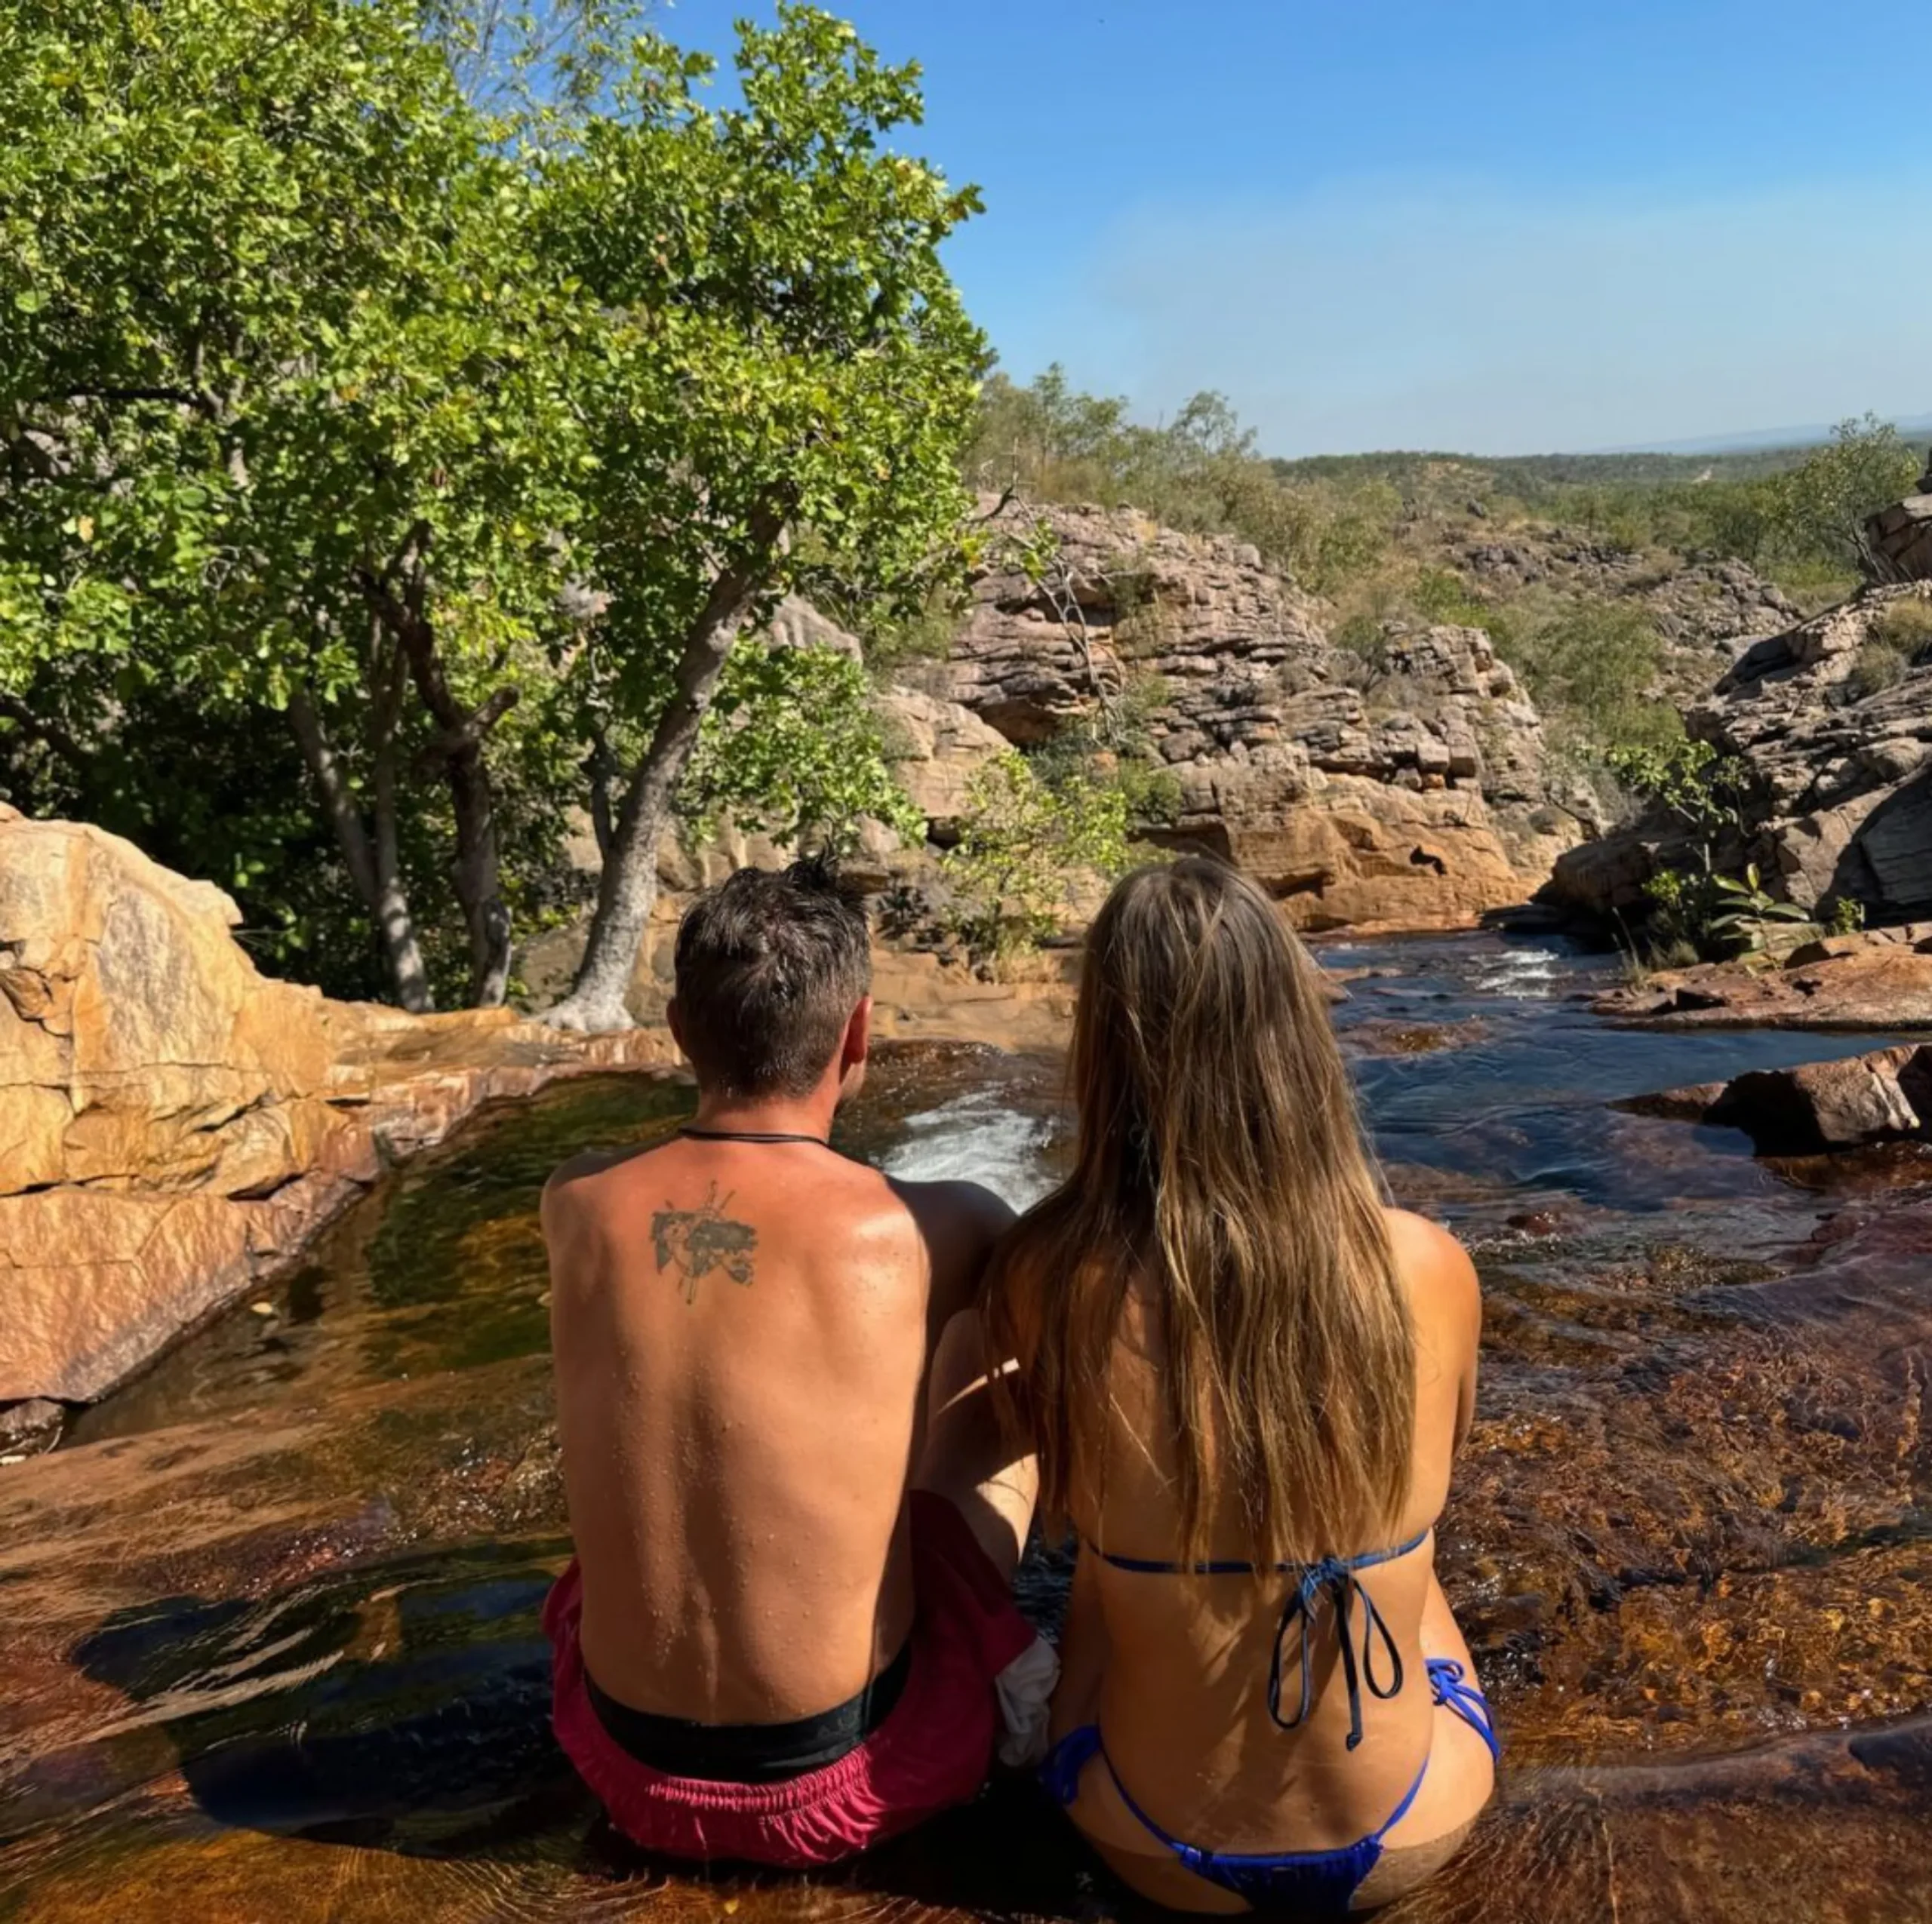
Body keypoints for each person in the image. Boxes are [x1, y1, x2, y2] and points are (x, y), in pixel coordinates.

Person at [987, 857, 1497, 1916]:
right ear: (1296, 1037)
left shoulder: (1049, 1276)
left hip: (1149, 1840)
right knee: (1412, 1540)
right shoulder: (1427, 1262)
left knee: (1095, 1556)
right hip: (1413, 1824)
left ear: (1106, 1047)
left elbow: (1062, 1507)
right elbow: (1446, 1459)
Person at [541, 857, 1054, 1867]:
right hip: (851, 1778)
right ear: (858, 1035)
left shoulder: (576, 1202)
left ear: (681, 1030)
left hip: (619, 1764)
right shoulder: (943, 1223)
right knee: (998, 1393)